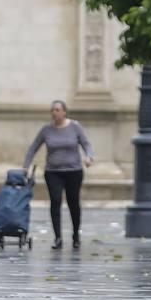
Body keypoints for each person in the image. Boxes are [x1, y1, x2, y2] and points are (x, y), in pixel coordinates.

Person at [23, 100, 94, 250]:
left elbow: (86, 143)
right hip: (53, 172)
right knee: (55, 201)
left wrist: (89, 157)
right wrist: (26, 165)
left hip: (73, 171)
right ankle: (58, 238)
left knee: (73, 202)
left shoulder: (75, 127)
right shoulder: (46, 130)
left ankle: (75, 235)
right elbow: (33, 147)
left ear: (64, 112)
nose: (54, 113)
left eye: (57, 110)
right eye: (52, 110)